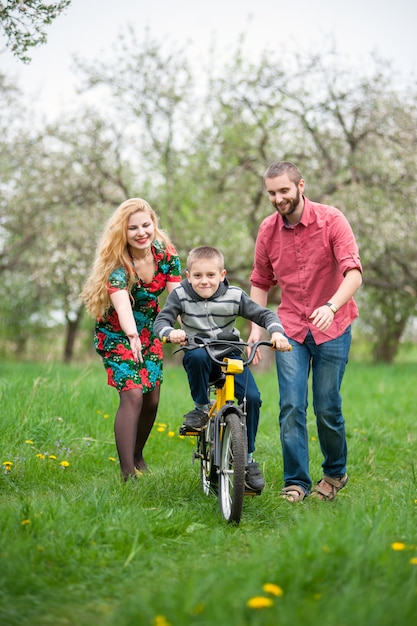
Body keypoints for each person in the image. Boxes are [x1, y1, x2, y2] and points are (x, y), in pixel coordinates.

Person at [248, 161, 363, 502]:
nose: (278, 198)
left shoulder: (332, 220)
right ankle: (296, 481)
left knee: (327, 406)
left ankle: (334, 473)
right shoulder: (267, 231)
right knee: (291, 407)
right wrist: (255, 329)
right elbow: (259, 282)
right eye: (271, 192)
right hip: (291, 330)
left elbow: (354, 273)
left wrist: (331, 306)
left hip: (333, 326)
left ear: (301, 186)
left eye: (283, 190)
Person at [154, 245, 290, 493]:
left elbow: (264, 315)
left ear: (222, 274)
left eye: (210, 275)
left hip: (229, 353)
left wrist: (278, 333)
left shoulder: (235, 296)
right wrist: (170, 332)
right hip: (200, 352)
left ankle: (246, 460)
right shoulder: (180, 296)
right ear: (188, 276)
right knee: (193, 355)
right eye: (197, 276)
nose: (204, 281)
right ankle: (200, 409)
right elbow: (162, 320)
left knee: (253, 398)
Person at [81, 198, 181, 480]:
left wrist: (188, 327)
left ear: (153, 223)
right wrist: (131, 335)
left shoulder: (166, 255)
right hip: (117, 333)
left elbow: (176, 299)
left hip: (151, 330)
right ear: (122, 232)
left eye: (145, 225)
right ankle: (127, 474)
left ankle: (137, 455)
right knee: (133, 395)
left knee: (151, 399)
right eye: (132, 228)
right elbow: (123, 306)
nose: (141, 232)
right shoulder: (119, 264)